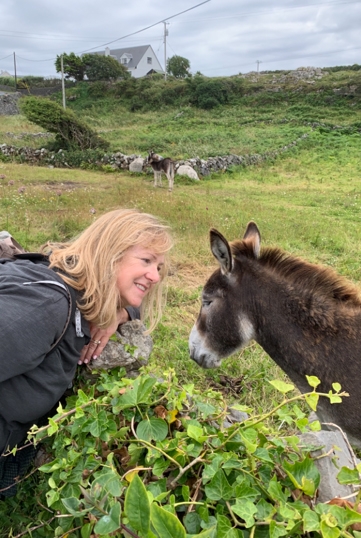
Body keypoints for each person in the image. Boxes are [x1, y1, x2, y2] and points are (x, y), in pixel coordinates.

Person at [0, 208, 173, 497]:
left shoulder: (79, 296)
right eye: (146, 261)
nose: (155, 276)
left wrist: (119, 312)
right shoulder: (47, 308)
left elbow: (135, 303)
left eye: (159, 267)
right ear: (110, 254)